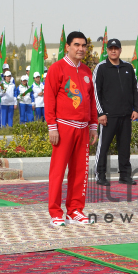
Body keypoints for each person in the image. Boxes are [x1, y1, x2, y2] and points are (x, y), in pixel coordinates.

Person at [45, 31, 98, 227]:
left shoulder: (86, 71)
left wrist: (93, 126)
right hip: (64, 127)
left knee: (80, 172)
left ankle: (75, 210)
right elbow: (49, 100)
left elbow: (91, 101)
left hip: (83, 129)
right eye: (76, 45)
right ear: (67, 46)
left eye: (83, 45)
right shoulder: (56, 69)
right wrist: (52, 127)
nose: (81, 49)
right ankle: (55, 212)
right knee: (58, 171)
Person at [92, 38, 138, 186]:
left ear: (120, 50)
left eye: (116, 48)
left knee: (125, 147)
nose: (113, 51)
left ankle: (125, 175)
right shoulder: (101, 68)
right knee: (103, 146)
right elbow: (95, 92)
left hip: (126, 115)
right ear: (107, 50)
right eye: (111, 48)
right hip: (108, 116)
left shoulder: (128, 67)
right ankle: (100, 175)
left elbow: (135, 89)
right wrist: (101, 113)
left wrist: (136, 109)